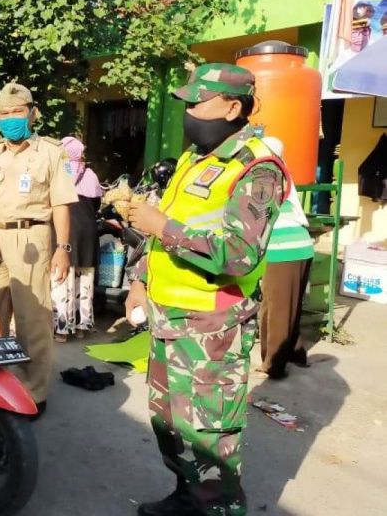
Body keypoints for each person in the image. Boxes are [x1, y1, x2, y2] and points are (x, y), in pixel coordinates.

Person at [124, 63, 287, 516]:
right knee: (172, 426)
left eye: (198, 102)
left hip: (212, 326)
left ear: (233, 107)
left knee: (210, 434)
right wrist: (140, 283)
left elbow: (239, 254)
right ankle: (187, 497)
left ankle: (218, 508)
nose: (189, 112)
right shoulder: (195, 159)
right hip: (169, 317)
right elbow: (161, 234)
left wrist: (164, 226)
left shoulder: (258, 169)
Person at [0, 82, 78, 417]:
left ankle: (34, 392)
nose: (10, 118)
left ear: (33, 113)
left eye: (17, 112)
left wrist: (63, 248)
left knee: (33, 319)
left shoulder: (50, 151)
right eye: (4, 113)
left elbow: (61, 203)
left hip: (32, 239)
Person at [256, 137, 314, 379]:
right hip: (301, 245)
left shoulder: (266, 174)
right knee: (291, 305)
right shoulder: (283, 170)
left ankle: (274, 364)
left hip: (283, 248)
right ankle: (295, 351)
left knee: (274, 309)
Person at [52, 136, 100, 341]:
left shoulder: (60, 172)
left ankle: (63, 330)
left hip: (66, 230)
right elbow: (97, 204)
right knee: (85, 280)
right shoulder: (90, 174)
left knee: (63, 279)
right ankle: (83, 327)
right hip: (89, 230)